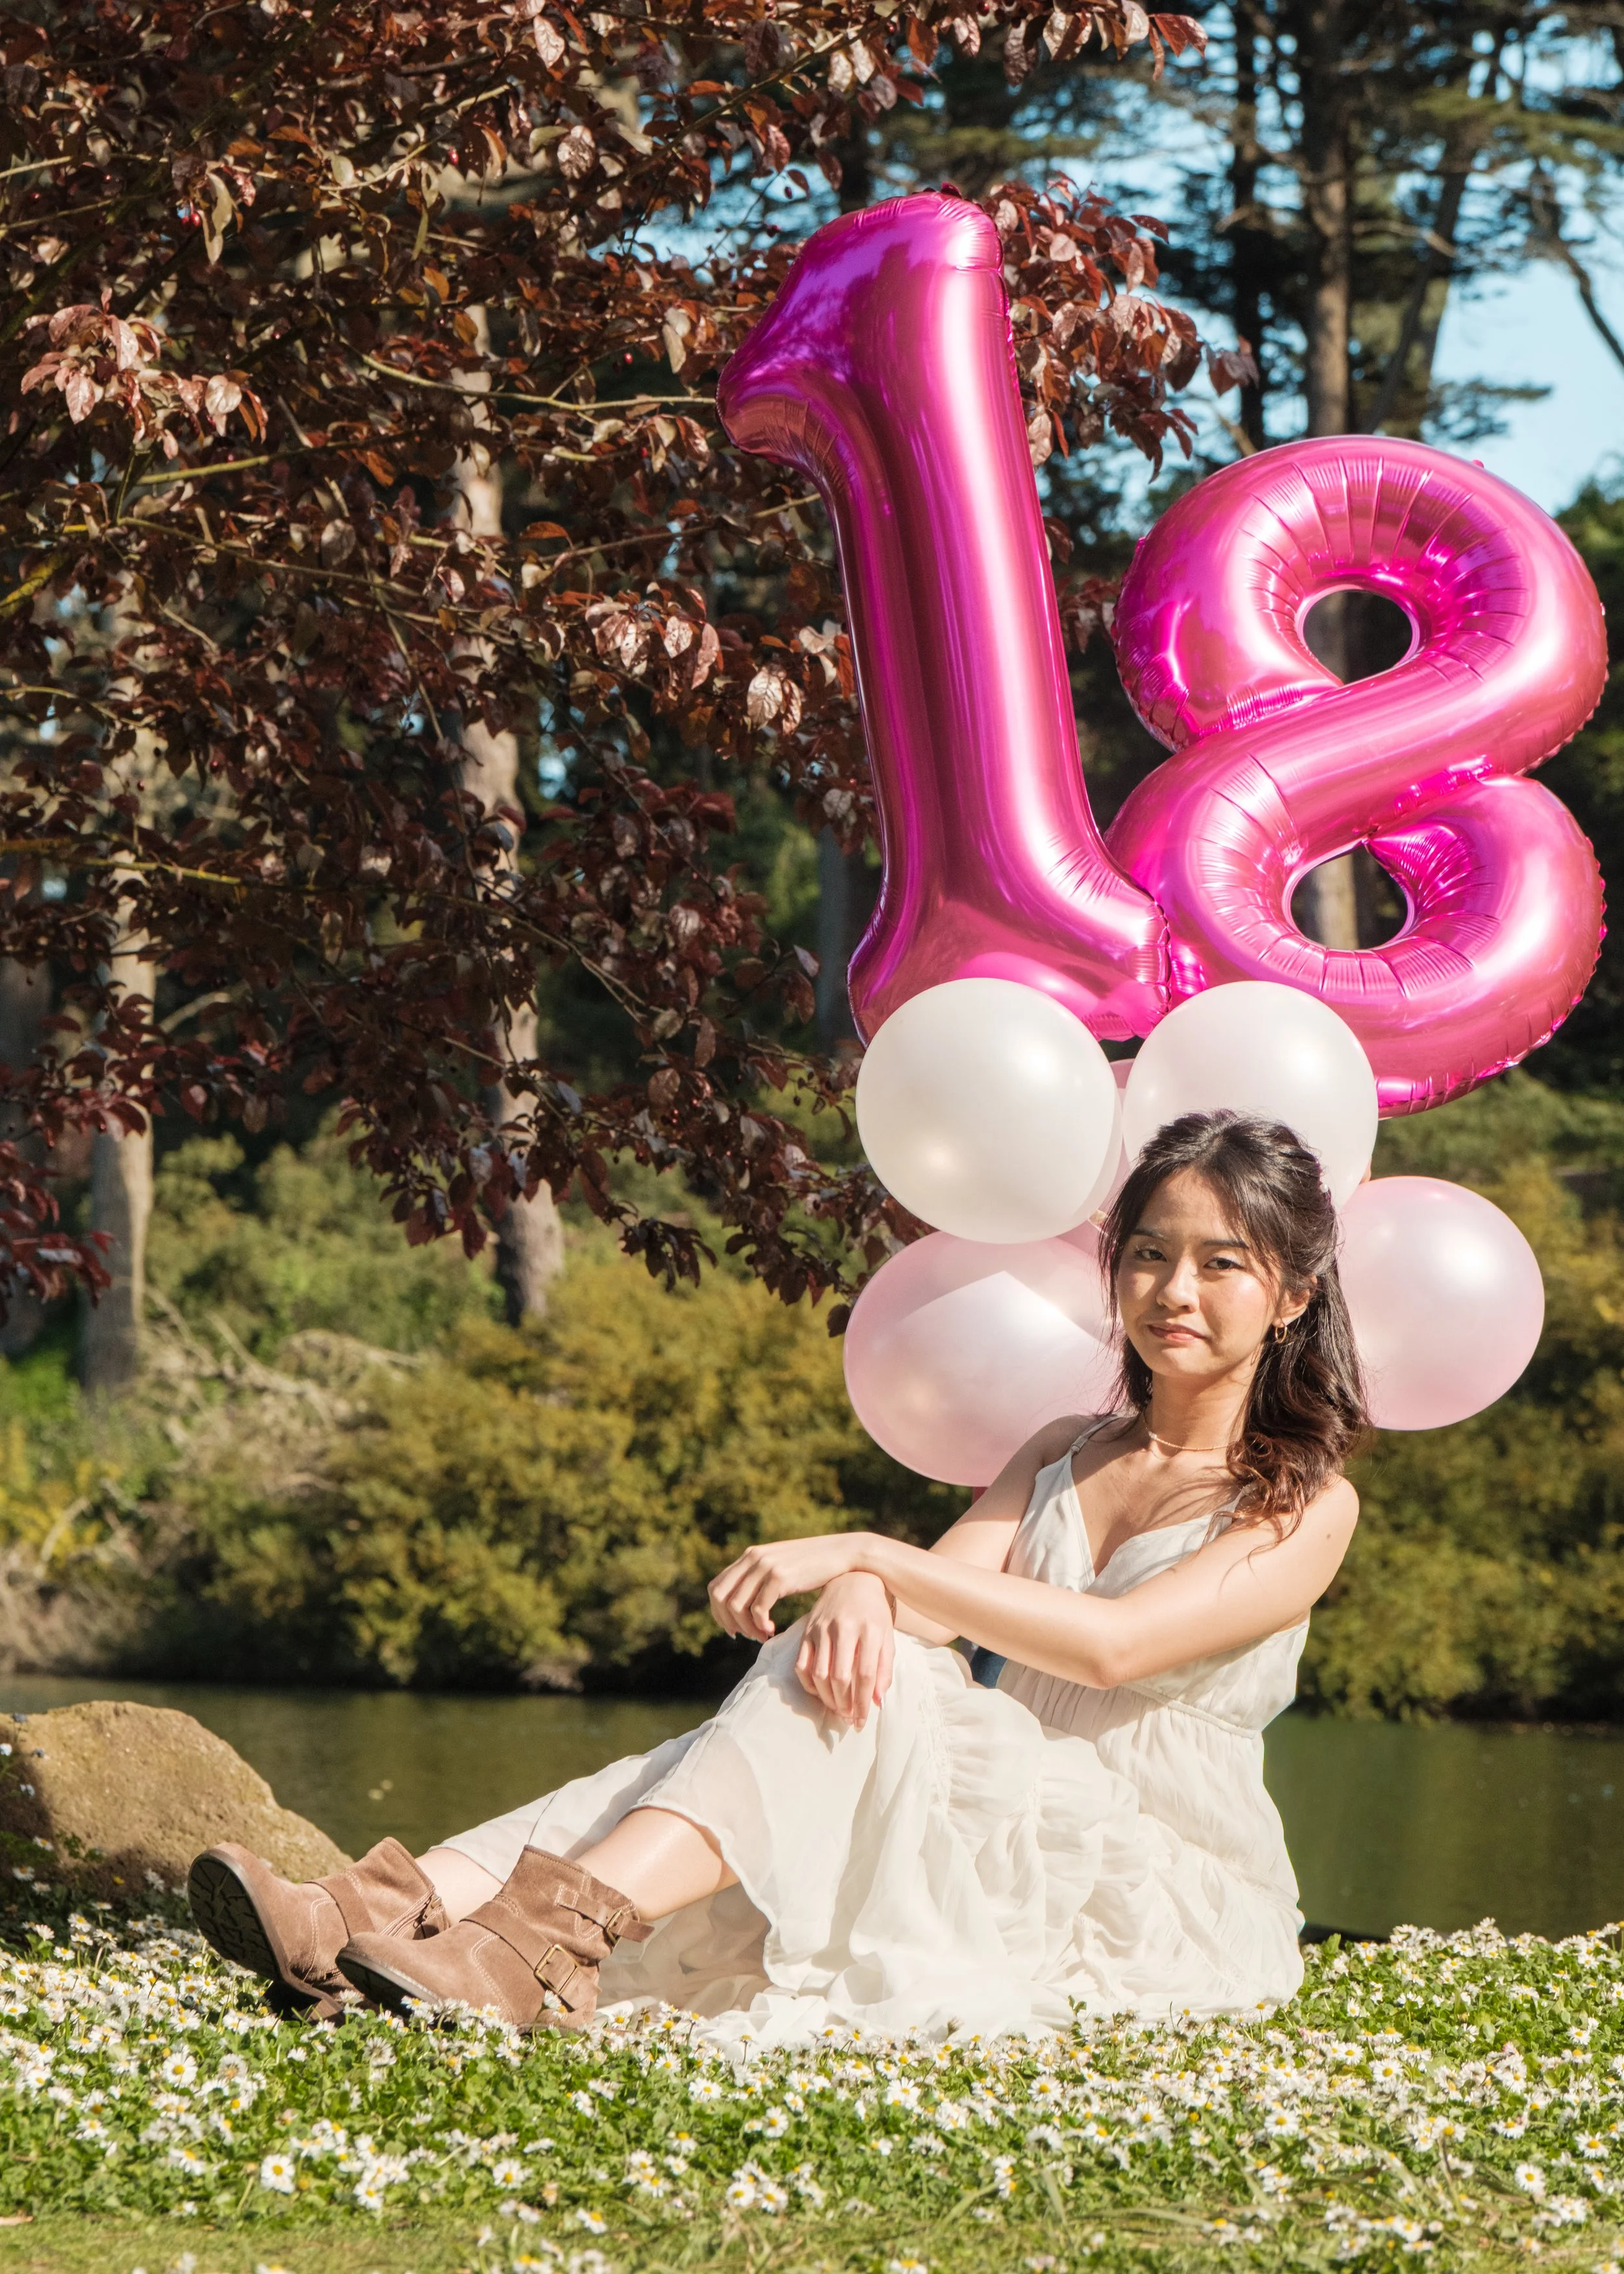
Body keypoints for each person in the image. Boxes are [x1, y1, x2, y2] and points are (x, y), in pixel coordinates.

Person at [188, 1109, 1365, 2047]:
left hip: (1141, 1876)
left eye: (1223, 1265)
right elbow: (929, 1603)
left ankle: (519, 1944)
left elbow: (1114, 1649)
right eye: (1150, 1256)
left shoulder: (1306, 1504)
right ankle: (373, 1915)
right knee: (842, 1664)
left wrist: (867, 1558)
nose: (1175, 1293)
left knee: (871, 1676)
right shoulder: (1064, 1447)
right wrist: (866, 1590)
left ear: (1292, 1297)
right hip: (993, 1809)